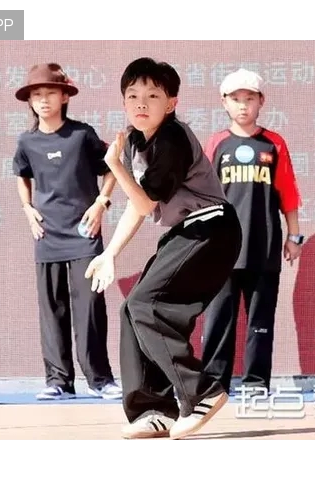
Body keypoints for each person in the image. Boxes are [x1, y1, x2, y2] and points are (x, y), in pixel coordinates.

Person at [84, 57, 242, 440]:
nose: (141, 102)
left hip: (210, 228)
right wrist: (109, 254)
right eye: (132, 95)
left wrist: (114, 166)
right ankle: (154, 410)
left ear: (171, 103)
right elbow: (138, 206)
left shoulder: (171, 138)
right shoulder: (135, 142)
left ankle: (201, 391)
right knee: (133, 309)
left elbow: (143, 204)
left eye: (152, 95)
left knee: (146, 305)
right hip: (188, 232)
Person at [12, 63, 122, 401]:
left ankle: (100, 379)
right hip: (47, 235)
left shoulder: (81, 135)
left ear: (64, 97)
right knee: (52, 309)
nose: (43, 100)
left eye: (50, 93)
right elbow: (22, 175)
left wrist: (101, 202)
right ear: (30, 101)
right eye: (37, 95)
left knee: (89, 307)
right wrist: (28, 209)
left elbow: (112, 168)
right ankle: (58, 380)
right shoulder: (27, 141)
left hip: (84, 233)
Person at [201, 68, 303, 395]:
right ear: (224, 103)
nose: (243, 105)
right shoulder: (216, 143)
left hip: (264, 245)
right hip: (222, 248)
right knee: (219, 319)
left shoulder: (274, 143)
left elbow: (287, 192)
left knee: (260, 321)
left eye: (249, 99)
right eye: (236, 99)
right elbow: (203, 195)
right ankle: (214, 384)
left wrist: (294, 236)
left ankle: (256, 383)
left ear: (261, 102)